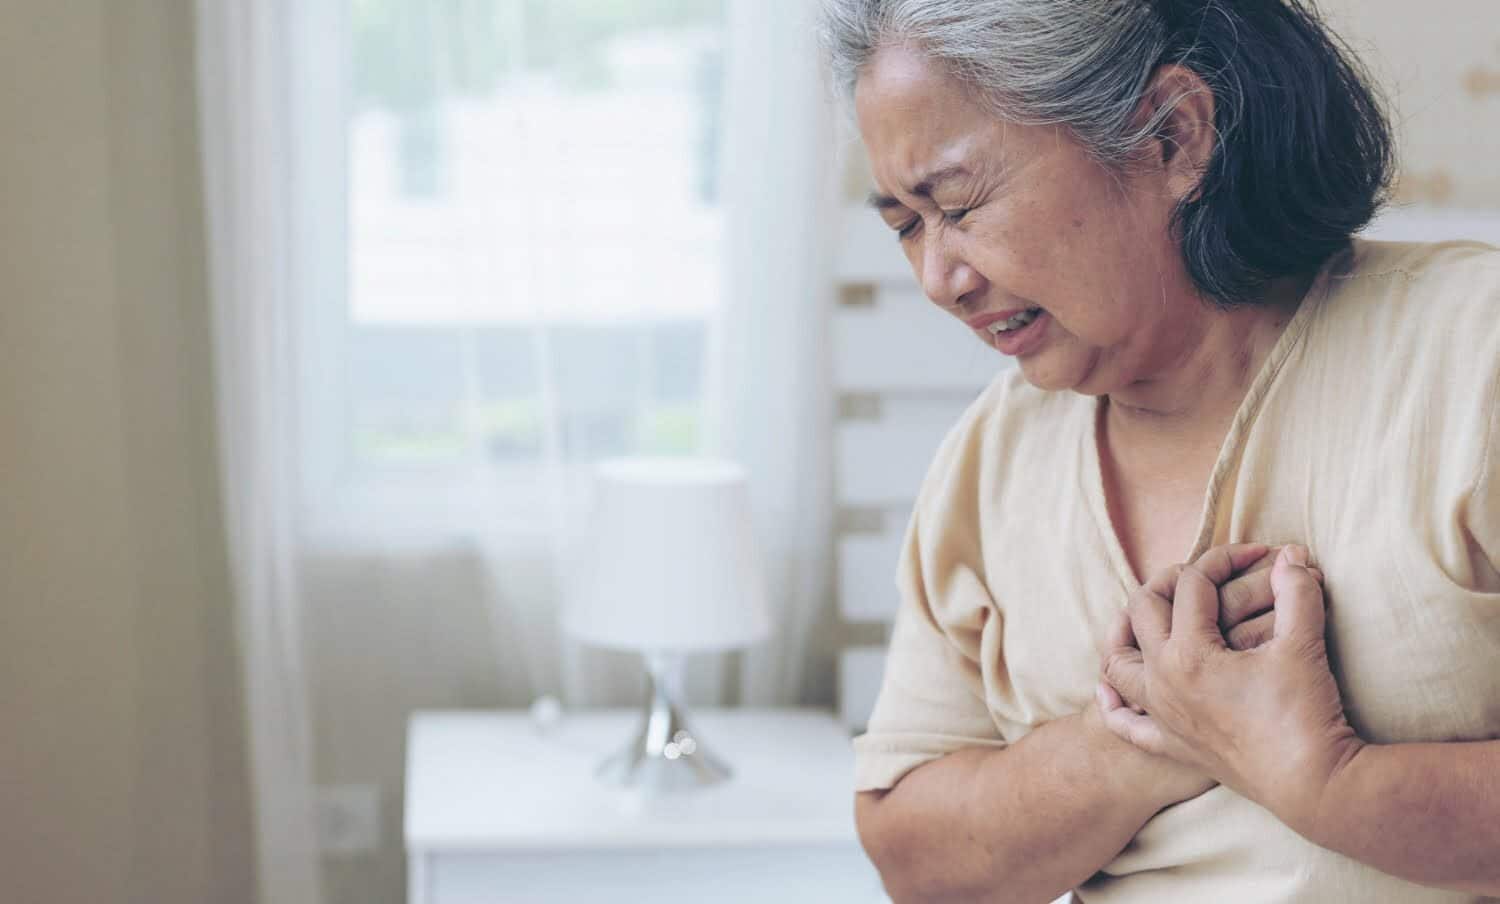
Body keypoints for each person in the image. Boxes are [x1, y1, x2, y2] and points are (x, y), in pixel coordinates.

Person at [818, 0, 1500, 901]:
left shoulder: (1473, 355)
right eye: (905, 224)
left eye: (958, 204)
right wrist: (1150, 724)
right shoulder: (991, 456)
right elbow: (914, 857)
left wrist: (1326, 779)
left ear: (1173, 138)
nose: (939, 280)